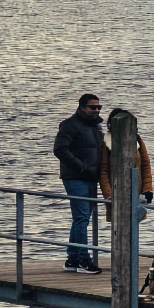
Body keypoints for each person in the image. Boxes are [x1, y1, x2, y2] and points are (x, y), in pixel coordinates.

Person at [53, 94, 107, 273]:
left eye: (99, 107)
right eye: (93, 107)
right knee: (82, 217)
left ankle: (73, 258)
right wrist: (81, 167)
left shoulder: (97, 127)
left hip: (91, 177)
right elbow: (60, 149)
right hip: (76, 178)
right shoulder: (70, 125)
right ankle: (83, 259)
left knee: (81, 218)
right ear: (82, 107)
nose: (97, 110)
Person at [98, 108, 153, 212]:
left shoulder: (137, 139)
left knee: (135, 220)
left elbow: (146, 165)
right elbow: (103, 171)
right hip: (116, 191)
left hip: (136, 190)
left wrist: (147, 189)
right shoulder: (107, 141)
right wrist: (109, 196)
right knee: (119, 222)